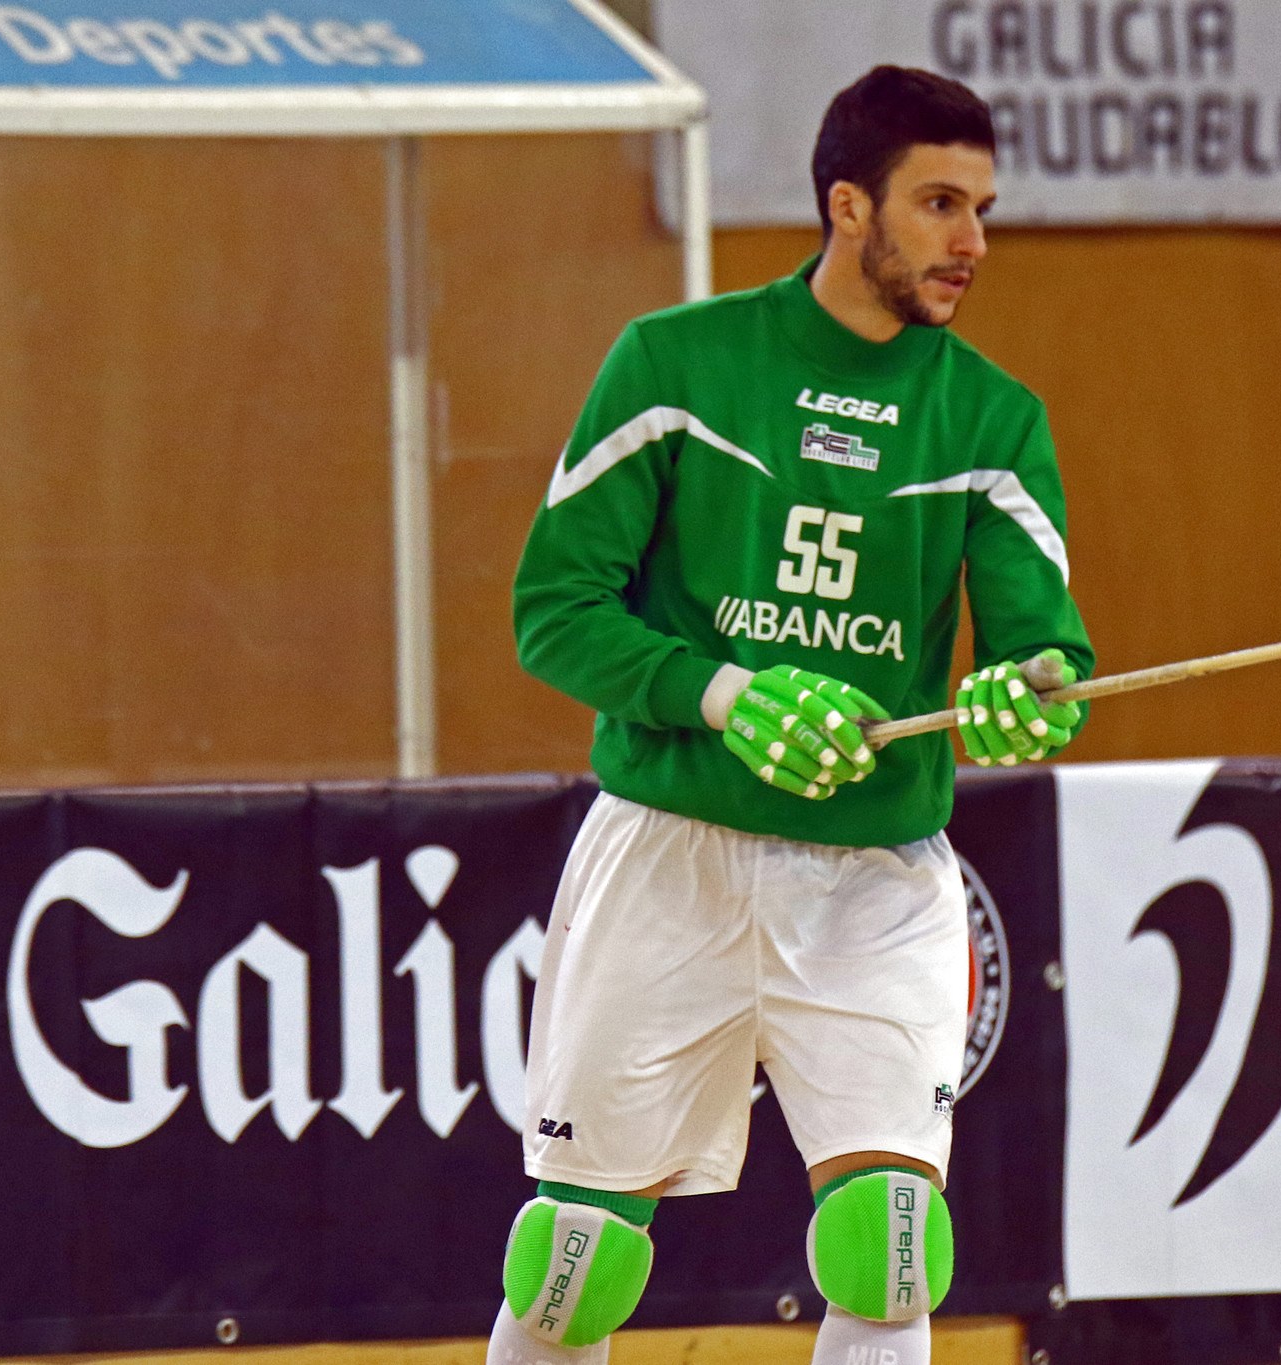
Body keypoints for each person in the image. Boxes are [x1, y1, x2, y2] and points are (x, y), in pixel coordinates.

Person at [487, 65, 1093, 1365]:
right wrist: (728, 693)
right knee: (575, 1264)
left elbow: (1047, 659)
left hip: (876, 878)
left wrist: (1025, 699)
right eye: (939, 204)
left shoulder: (995, 420)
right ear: (847, 206)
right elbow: (555, 610)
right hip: (668, 856)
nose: (973, 242)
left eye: (982, 210)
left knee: (890, 1248)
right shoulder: (673, 363)